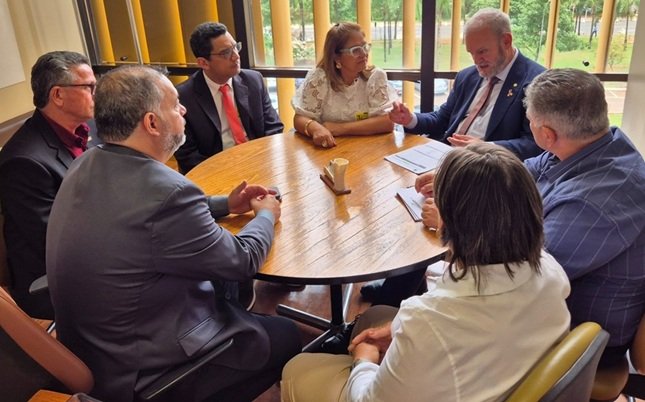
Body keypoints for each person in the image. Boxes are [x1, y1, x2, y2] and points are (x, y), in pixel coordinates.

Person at [46, 65, 301, 402]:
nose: (183, 110)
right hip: (145, 374)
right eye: (174, 105)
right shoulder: (168, 191)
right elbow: (241, 260)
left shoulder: (87, 162)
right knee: (286, 335)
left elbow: (143, 213)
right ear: (152, 123)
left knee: (226, 290)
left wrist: (227, 204)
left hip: (95, 353)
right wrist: (266, 214)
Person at [281, 143, 571, 402]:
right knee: (376, 315)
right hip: (498, 372)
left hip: (455, 378)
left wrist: (364, 362)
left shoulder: (428, 321)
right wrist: (399, 329)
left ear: (451, 221)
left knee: (297, 368)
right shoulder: (551, 272)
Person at [420, 68, 645, 369]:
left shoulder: (592, 203)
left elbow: (516, 273)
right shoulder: (591, 145)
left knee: (433, 330)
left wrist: (451, 222)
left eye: (530, 122)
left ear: (547, 134)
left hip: (572, 335)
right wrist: (458, 179)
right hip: (544, 301)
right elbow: (523, 173)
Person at [0, 51, 96, 319]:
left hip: (95, 254)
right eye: (89, 87)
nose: (96, 93)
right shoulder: (23, 161)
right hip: (56, 281)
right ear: (58, 95)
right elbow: (56, 243)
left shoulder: (87, 130)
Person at [388, 8, 543, 161]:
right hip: (444, 156)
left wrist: (487, 148)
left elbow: (536, 144)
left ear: (506, 41)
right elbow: (442, 119)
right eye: (471, 53)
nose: (476, 61)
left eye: (482, 52)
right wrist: (410, 119)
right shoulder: (467, 76)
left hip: (489, 168)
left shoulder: (537, 83)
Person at [174, 22, 283, 174]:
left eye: (235, 47)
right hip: (216, 172)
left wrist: (260, 160)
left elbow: (274, 127)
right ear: (203, 63)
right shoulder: (183, 97)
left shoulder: (253, 80)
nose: (236, 56)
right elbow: (187, 155)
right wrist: (228, 171)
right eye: (226, 53)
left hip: (259, 162)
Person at [292, 22, 398, 148]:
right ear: (336, 57)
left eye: (365, 47)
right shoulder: (319, 78)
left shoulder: (375, 77)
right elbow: (299, 119)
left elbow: (387, 122)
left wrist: (339, 128)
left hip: (369, 149)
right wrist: (315, 128)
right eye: (356, 50)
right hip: (328, 148)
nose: (364, 54)